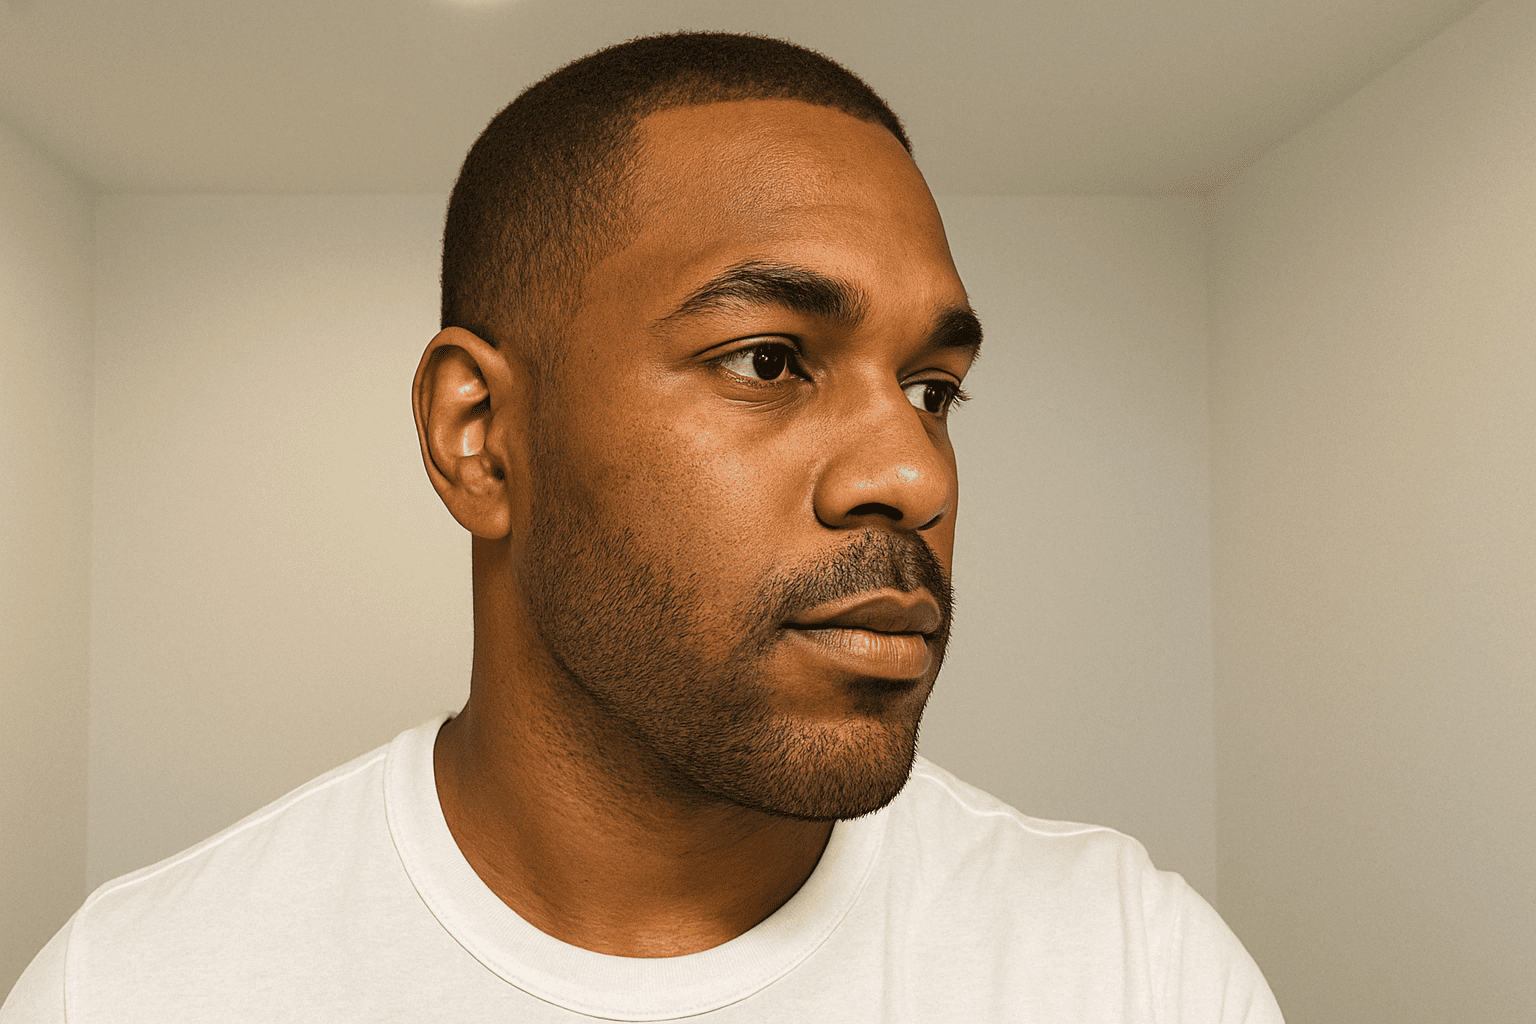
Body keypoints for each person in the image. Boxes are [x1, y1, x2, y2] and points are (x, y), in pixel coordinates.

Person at [2, 32, 1282, 1022]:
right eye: (769, 360)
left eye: (933, 390)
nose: (912, 471)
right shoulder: (137, 987)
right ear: (479, 437)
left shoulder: (1129, 968)